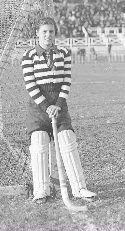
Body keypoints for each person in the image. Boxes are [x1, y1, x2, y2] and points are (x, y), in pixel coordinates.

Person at [21, 17, 96, 204]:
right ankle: (41, 191)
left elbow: (66, 81)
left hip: (59, 106)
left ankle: (79, 188)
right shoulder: (28, 56)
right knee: (39, 143)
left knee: (67, 140)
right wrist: (47, 108)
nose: (48, 35)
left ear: (55, 33)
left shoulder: (64, 53)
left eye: (51, 32)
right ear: (37, 34)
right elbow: (31, 86)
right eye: (44, 31)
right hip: (38, 109)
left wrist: (58, 105)